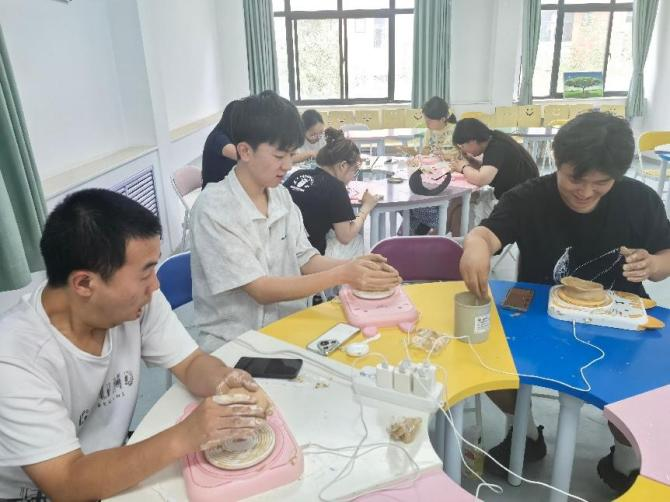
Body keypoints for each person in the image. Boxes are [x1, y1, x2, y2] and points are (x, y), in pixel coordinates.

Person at [0, 189, 270, 501]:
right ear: (84, 283)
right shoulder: (15, 359)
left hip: (109, 458)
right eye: (145, 274)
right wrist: (186, 435)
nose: (155, 285)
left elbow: (191, 363)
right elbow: (67, 483)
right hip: (40, 490)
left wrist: (225, 380)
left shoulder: (137, 303)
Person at [459, 112, 670, 493]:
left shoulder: (639, 200)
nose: (585, 192)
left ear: (618, 175)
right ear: (558, 162)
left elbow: (665, 256)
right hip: (540, 316)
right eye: (575, 179)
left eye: (601, 183)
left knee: (637, 389)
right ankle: (524, 435)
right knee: (485, 354)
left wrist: (654, 264)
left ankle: (624, 460)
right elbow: (488, 234)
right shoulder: (529, 197)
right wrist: (476, 245)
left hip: (617, 321)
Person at [190, 91, 400, 352]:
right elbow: (261, 289)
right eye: (280, 156)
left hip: (288, 328)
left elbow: (306, 259)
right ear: (244, 151)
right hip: (234, 342)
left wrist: (356, 266)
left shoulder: (280, 196)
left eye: (291, 154)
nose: (288, 165)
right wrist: (343, 273)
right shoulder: (214, 208)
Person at [284, 127, 380, 259]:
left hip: (285, 248)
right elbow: (345, 237)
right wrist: (366, 207)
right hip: (310, 254)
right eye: (355, 170)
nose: (353, 176)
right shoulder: (336, 188)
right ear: (343, 166)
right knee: (356, 241)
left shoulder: (298, 175)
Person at [446, 118, 539, 236]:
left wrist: (463, 167)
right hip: (515, 194)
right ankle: (443, 237)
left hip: (518, 203)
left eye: (462, 146)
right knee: (458, 200)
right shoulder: (495, 138)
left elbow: (482, 179)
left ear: (472, 141)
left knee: (461, 208)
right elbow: (493, 168)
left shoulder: (496, 147)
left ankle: (450, 240)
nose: (463, 150)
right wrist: (471, 162)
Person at [409, 96, 458, 235]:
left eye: (429, 121)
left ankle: (434, 227)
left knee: (416, 205)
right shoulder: (429, 131)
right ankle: (416, 232)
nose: (426, 124)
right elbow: (426, 152)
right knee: (411, 203)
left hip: (447, 177)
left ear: (442, 119)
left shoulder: (454, 131)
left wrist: (440, 156)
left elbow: (455, 156)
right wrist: (418, 156)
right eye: (425, 120)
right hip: (431, 174)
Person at [202, 100, 239, 188]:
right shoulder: (218, 138)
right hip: (215, 191)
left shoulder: (232, 134)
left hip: (228, 186)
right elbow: (242, 156)